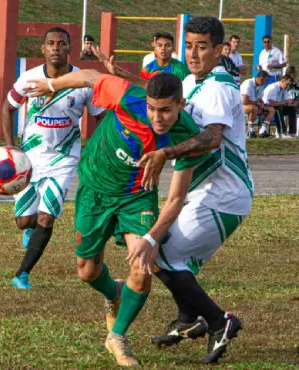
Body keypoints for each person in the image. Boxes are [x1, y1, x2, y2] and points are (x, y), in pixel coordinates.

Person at [24, 71, 209, 367]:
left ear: (181, 105)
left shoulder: (185, 136)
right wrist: (51, 85)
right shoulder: (127, 96)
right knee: (86, 271)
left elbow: (175, 198)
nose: (156, 117)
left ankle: (118, 337)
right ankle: (114, 293)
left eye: (165, 110)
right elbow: (89, 77)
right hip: (94, 188)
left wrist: (151, 239)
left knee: (143, 267)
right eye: (152, 108)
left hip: (138, 196)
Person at [105, 16, 250, 364]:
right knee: (163, 253)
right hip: (202, 191)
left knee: (160, 254)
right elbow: (156, 91)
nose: (194, 53)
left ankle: (219, 320)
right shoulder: (189, 81)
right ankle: (190, 318)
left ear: (219, 50)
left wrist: (166, 153)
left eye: (202, 46)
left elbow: (211, 139)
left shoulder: (218, 86)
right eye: (190, 45)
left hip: (224, 193)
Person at [2, 27, 105, 289]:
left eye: (61, 43)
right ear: (43, 49)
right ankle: (29, 227)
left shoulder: (83, 81)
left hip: (64, 160)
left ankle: (22, 274)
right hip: (30, 160)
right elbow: (7, 108)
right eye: (51, 43)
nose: (56, 47)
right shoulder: (28, 78)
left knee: (47, 218)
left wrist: (96, 150)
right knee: (24, 221)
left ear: (69, 48)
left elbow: (100, 118)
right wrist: (10, 148)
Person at [240, 70, 275, 138]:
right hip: (242, 106)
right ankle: (251, 131)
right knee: (254, 108)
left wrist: (261, 103)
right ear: (260, 78)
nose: (265, 82)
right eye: (265, 81)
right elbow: (244, 101)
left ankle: (262, 132)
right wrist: (257, 104)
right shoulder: (248, 84)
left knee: (271, 110)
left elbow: (260, 98)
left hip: (255, 105)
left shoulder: (260, 85)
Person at [262, 74, 298, 138]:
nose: (287, 86)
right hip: (266, 106)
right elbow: (272, 103)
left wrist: (293, 103)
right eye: (287, 84)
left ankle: (292, 132)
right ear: (282, 81)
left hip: (276, 106)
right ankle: (281, 133)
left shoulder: (284, 89)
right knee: (278, 109)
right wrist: (285, 102)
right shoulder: (273, 88)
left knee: (292, 109)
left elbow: (286, 102)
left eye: (289, 85)